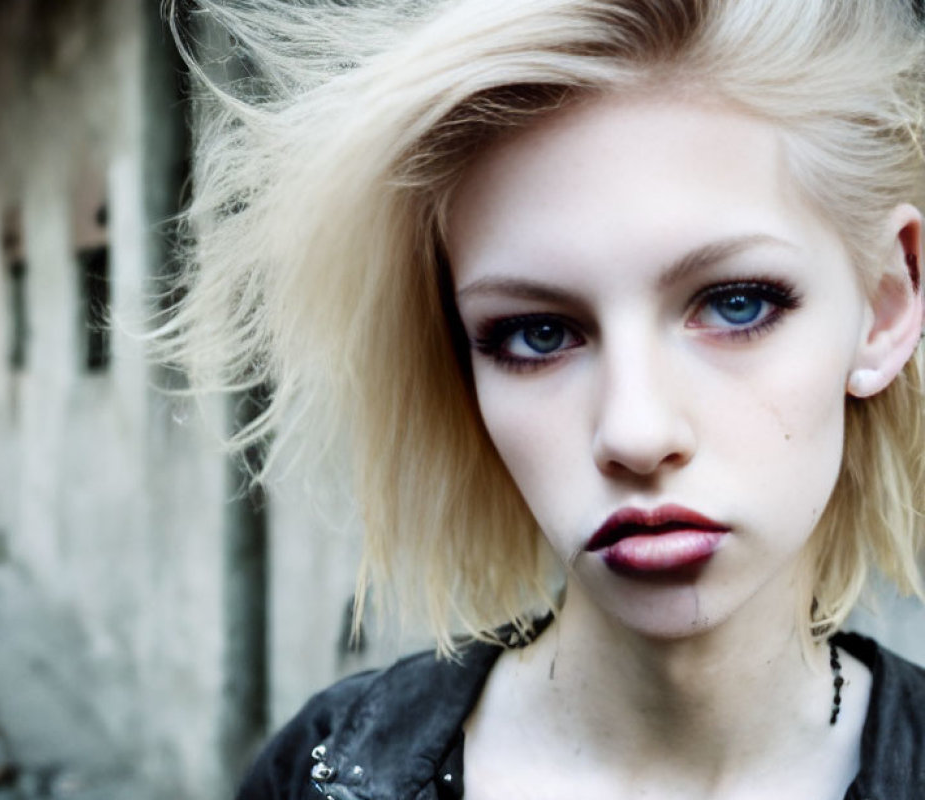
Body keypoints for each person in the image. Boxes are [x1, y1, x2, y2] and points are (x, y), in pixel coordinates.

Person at [163, 0, 925, 797]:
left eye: (736, 303)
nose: (634, 432)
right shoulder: (330, 774)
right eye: (536, 334)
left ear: (884, 304)